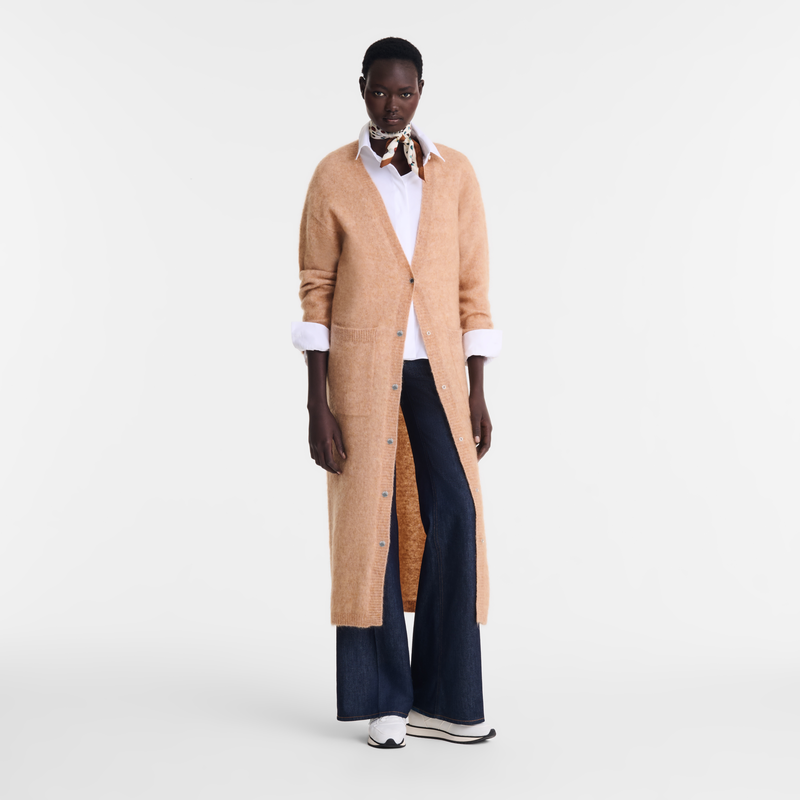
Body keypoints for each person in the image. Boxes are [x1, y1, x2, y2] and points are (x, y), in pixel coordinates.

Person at [290, 36, 502, 748]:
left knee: (456, 512)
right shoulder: (333, 176)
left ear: (421, 93)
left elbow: (473, 287)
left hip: (438, 370)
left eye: (404, 92)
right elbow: (316, 291)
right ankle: (383, 700)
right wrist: (316, 403)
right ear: (362, 89)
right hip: (358, 374)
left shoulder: (455, 173)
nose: (391, 105)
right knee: (369, 526)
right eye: (380, 91)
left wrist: (477, 388)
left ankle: (445, 700)